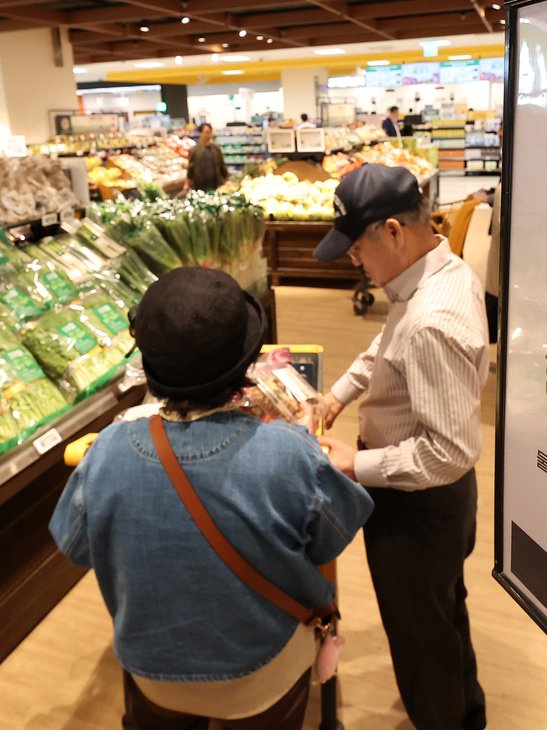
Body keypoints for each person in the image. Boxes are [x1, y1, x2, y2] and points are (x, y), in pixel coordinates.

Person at [50, 267, 374, 730]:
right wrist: (303, 444)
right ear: (245, 370)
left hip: (153, 672)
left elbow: (78, 547)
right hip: (263, 671)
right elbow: (328, 541)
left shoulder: (105, 453)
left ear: (151, 367)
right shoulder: (288, 451)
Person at [313, 164, 490, 730]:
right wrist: (338, 395)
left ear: (392, 231)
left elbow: (445, 453)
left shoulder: (431, 321)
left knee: (420, 641)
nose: (354, 262)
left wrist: (353, 462)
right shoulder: (435, 270)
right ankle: (467, 714)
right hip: (440, 501)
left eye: (356, 248)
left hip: (418, 502)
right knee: (442, 615)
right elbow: (387, 341)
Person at [185, 122, 228, 192]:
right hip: (199, 186)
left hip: (216, 185)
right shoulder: (194, 150)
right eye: (206, 132)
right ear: (200, 133)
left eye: (210, 132)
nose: (209, 135)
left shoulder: (216, 149)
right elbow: (190, 169)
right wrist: (187, 183)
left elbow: (222, 165)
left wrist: (225, 180)